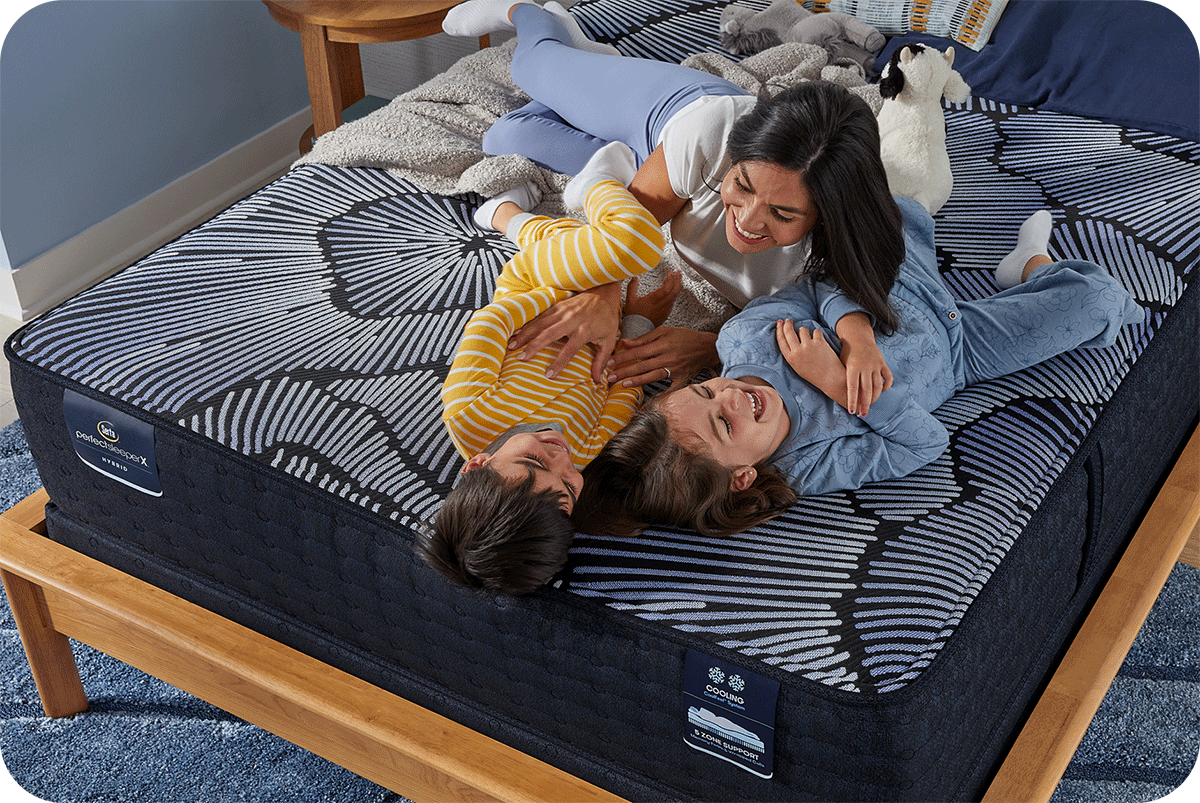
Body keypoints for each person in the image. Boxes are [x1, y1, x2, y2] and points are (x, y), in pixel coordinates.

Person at [573, 200, 1144, 538]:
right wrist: (836, 383)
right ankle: (1032, 265)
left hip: (893, 288)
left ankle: (1014, 264)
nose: (728, 395)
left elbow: (821, 282)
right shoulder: (809, 465)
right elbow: (923, 444)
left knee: (893, 208)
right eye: (724, 425)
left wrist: (855, 334)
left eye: (705, 390)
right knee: (1099, 306)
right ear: (743, 476)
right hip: (963, 352)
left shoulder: (744, 335)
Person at [443, 0, 903, 409]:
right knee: (532, 70)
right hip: (669, 114)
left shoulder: (843, 240)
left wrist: (711, 346)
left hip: (661, 165)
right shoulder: (713, 133)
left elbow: (846, 298)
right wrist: (601, 295)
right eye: (741, 186)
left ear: (828, 219)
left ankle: (613, 137)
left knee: (509, 135)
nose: (746, 220)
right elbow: (623, 228)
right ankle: (533, 14)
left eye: (783, 214)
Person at [420, 143, 679, 594]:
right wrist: (632, 321)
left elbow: (491, 321)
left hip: (535, 286)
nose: (560, 457)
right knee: (564, 239)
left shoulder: (469, 413)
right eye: (568, 488)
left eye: (534, 460)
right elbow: (621, 385)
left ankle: (594, 183)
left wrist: (573, 298)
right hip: (602, 316)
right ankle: (503, 215)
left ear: (477, 464)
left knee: (636, 242)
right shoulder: (582, 449)